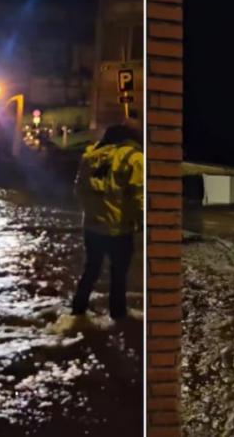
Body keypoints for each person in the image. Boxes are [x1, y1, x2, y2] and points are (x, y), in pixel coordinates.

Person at [72, 121, 143, 319]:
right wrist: (142, 223)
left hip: (92, 226)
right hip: (119, 228)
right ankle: (117, 318)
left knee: (91, 270)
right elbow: (140, 196)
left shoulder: (90, 156)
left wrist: (94, 212)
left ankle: (77, 312)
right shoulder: (134, 158)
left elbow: (78, 190)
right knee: (118, 276)